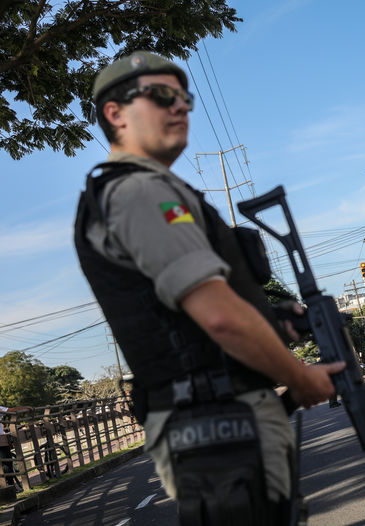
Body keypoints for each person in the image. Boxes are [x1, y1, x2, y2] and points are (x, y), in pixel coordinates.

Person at [74, 51, 344, 525]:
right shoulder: (141, 192)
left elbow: (190, 321)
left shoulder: (149, 190)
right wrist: (301, 379)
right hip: (216, 420)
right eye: (161, 96)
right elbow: (219, 317)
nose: (181, 108)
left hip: (218, 415)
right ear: (114, 114)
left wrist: (276, 321)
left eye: (184, 98)